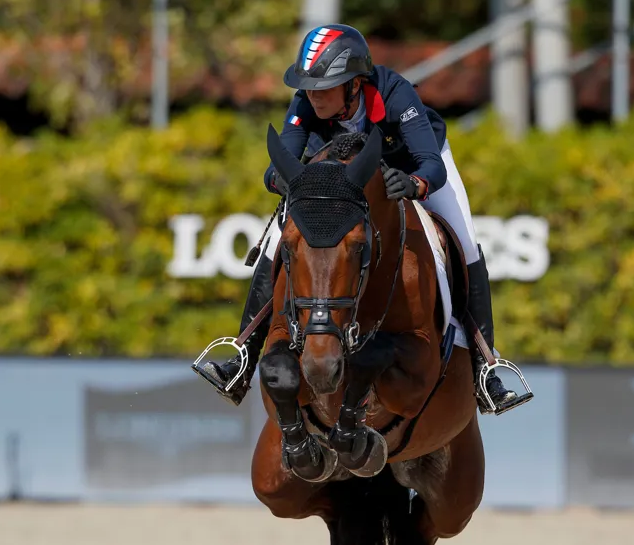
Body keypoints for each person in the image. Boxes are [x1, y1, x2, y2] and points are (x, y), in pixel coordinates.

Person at [199, 23, 521, 414]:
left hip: (409, 164)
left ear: (354, 84)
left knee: (465, 241)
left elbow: (430, 164)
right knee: (277, 237)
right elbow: (284, 157)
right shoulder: (305, 100)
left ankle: (486, 366)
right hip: (340, 181)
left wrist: (416, 184)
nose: (313, 95)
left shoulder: (394, 92)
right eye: (308, 87)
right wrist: (278, 178)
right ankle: (244, 353)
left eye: (324, 87)